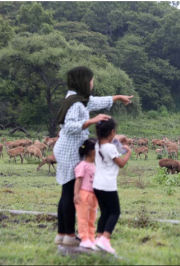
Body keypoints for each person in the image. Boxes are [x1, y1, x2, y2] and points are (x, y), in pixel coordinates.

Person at [54, 66, 133, 246]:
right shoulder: (75, 103)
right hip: (69, 150)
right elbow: (69, 126)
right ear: (83, 81)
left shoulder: (78, 98)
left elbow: (96, 101)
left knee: (66, 192)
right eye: (91, 80)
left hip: (70, 148)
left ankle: (62, 233)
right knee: (68, 192)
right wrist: (91, 121)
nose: (92, 83)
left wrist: (118, 97)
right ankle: (69, 235)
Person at [93, 118, 131, 254]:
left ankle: (98, 239)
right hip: (108, 185)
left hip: (97, 185)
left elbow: (117, 138)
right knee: (115, 212)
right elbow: (121, 164)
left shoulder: (97, 145)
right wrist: (129, 153)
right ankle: (105, 239)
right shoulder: (110, 148)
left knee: (104, 212)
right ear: (112, 132)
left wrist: (121, 137)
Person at [73, 138, 98, 249]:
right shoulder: (82, 166)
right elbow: (78, 180)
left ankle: (91, 238)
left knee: (92, 218)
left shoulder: (94, 166)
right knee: (83, 218)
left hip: (93, 197)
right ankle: (84, 238)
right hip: (84, 195)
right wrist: (76, 194)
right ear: (93, 152)